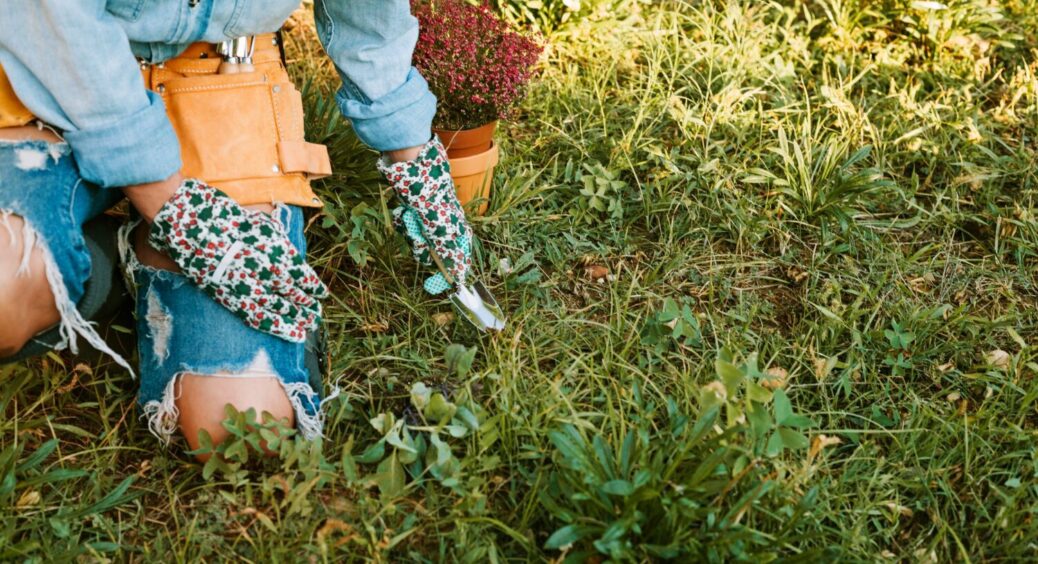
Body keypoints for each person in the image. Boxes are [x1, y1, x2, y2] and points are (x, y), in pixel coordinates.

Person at [0, 1, 473, 458]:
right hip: (49, 74)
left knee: (241, 428)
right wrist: (170, 205)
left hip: (222, 77)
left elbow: (369, 19)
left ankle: (123, 257)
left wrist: (414, 160)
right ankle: (93, 269)